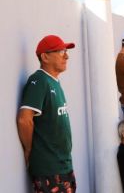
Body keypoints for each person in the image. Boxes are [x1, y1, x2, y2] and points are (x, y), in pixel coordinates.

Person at [17, 35, 77, 192]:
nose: (66, 55)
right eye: (61, 51)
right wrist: (29, 149)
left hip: (64, 167)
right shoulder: (39, 80)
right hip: (49, 170)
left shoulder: (54, 82)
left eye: (66, 51)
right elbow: (24, 119)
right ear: (45, 57)